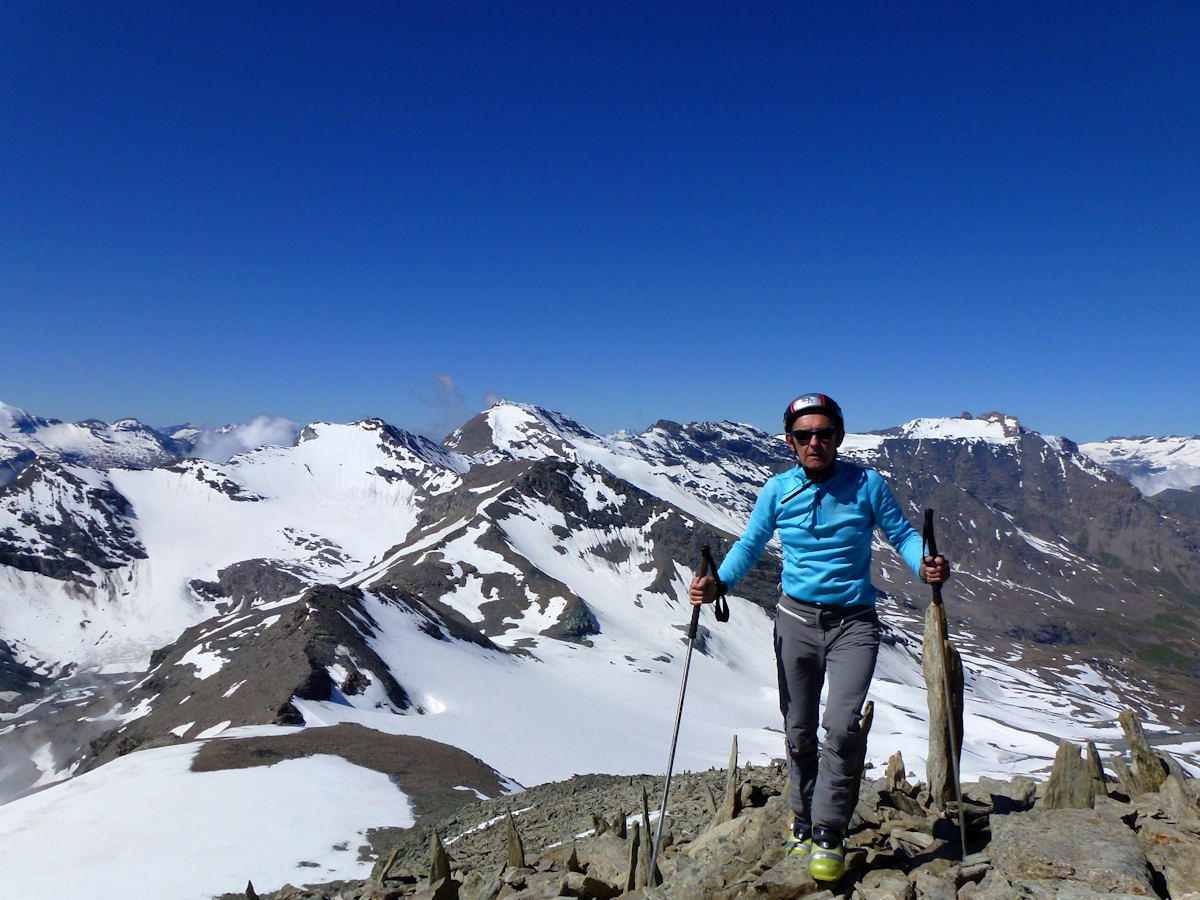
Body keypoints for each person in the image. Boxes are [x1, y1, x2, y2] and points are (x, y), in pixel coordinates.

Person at [690, 392, 950, 882]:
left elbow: (903, 536)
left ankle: (828, 830)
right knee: (798, 731)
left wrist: (925, 563)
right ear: (790, 442)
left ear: (838, 438)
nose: (815, 442)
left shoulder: (868, 485)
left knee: (843, 727)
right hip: (794, 622)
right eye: (805, 435)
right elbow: (750, 544)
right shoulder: (777, 491)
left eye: (824, 433)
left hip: (854, 624)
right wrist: (719, 582)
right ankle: (801, 818)